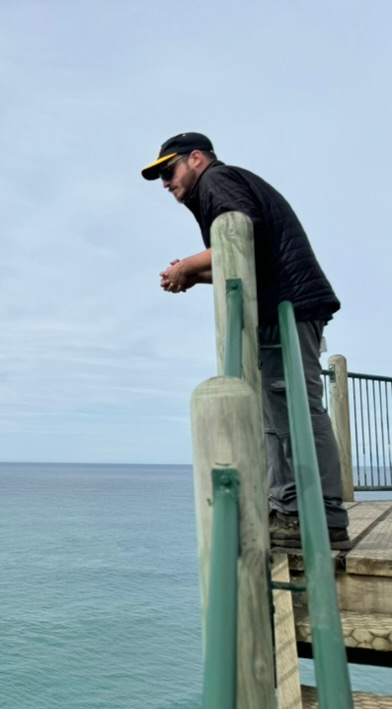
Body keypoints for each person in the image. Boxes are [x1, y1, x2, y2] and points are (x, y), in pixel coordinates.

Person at [142, 132, 349, 549]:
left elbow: (245, 231)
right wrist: (192, 274)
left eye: (169, 170)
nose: (165, 183)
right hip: (283, 308)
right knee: (277, 415)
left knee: (296, 410)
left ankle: (321, 516)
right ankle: (289, 507)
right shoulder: (216, 189)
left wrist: (186, 264)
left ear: (195, 159)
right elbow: (240, 256)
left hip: (288, 309)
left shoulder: (218, 181)